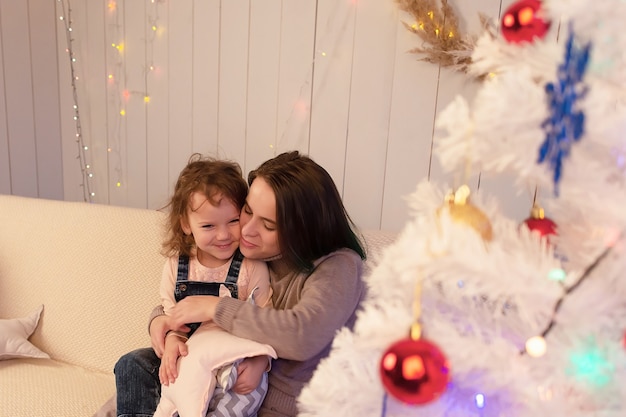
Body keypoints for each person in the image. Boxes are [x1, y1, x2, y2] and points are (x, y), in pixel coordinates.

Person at [113, 151, 366, 417]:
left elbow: (301, 335)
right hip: (214, 367)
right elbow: (191, 296)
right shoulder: (251, 250)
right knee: (136, 365)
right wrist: (161, 323)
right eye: (247, 211)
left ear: (302, 229)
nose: (245, 230)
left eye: (268, 224)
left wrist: (215, 308)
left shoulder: (339, 266)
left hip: (273, 399)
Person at [123, 154, 275, 417]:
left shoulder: (251, 267)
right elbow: (173, 317)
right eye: (208, 225)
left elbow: (267, 322)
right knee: (131, 364)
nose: (224, 235)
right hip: (187, 356)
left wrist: (261, 360)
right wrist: (171, 340)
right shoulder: (176, 265)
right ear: (186, 225)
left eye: (233, 221)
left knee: (237, 391)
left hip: (232, 361)